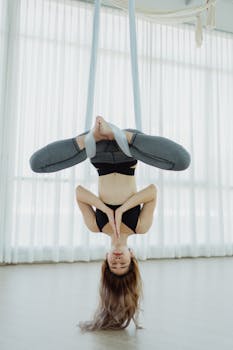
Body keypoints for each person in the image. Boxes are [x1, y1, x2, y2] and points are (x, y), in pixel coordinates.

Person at [29, 116, 189, 330]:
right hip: (128, 151)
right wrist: (122, 209)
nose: (117, 260)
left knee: (36, 165)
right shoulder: (140, 227)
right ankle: (121, 134)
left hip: (99, 153)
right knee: (182, 161)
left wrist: (104, 209)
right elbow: (152, 191)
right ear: (132, 256)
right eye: (123, 264)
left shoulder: (96, 225)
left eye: (113, 265)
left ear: (106, 259)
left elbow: (80, 193)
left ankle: (94, 135)